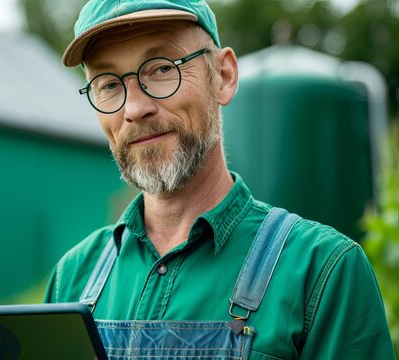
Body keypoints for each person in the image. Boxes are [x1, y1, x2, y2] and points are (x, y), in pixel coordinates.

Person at [44, 0, 395, 358]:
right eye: (108, 84)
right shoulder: (73, 278)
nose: (134, 109)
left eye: (162, 68)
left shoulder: (322, 271)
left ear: (223, 77)